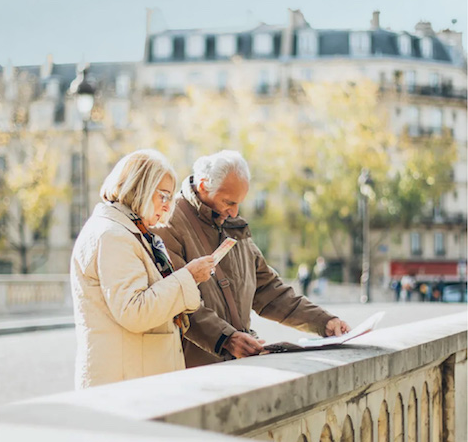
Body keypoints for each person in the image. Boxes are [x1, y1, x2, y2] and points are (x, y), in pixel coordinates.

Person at [154, 150, 350, 367]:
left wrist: (324, 322)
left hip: (237, 365)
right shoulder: (167, 222)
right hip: (193, 370)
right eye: (228, 202)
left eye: (239, 203)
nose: (235, 212)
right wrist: (226, 339)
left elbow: (270, 292)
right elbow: (177, 302)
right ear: (202, 186)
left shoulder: (232, 225)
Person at [70, 149, 215, 388]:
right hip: (125, 386)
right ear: (140, 187)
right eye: (164, 196)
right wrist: (188, 277)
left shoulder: (128, 231)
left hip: (132, 378)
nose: (169, 207)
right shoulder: (114, 236)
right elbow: (134, 311)